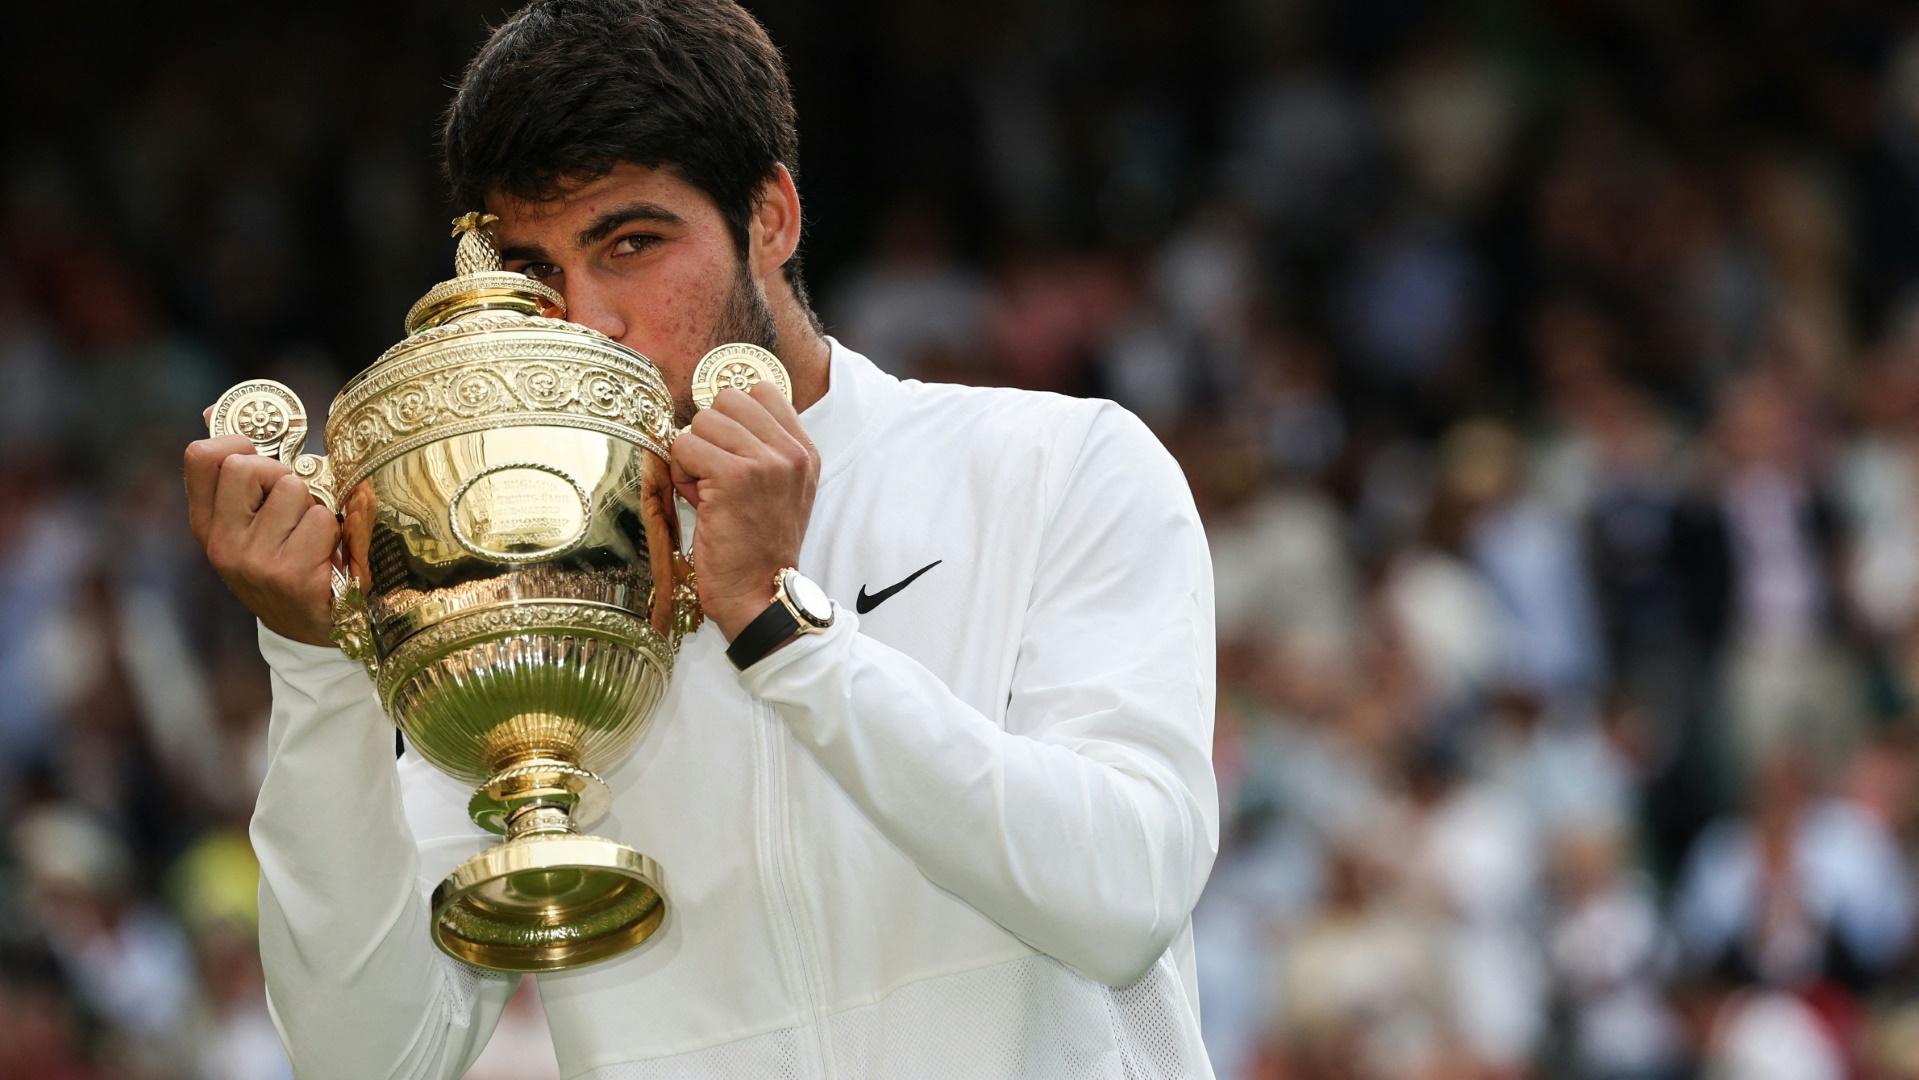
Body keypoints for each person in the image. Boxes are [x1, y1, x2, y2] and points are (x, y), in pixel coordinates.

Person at [180, 1, 1220, 1077]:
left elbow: (1121, 898)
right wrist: (317, 667)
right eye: (536, 274)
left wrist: (782, 628)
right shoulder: (514, 576)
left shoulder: (1057, 464)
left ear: (771, 217)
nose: (587, 319)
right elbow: (370, 1061)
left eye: (630, 244)